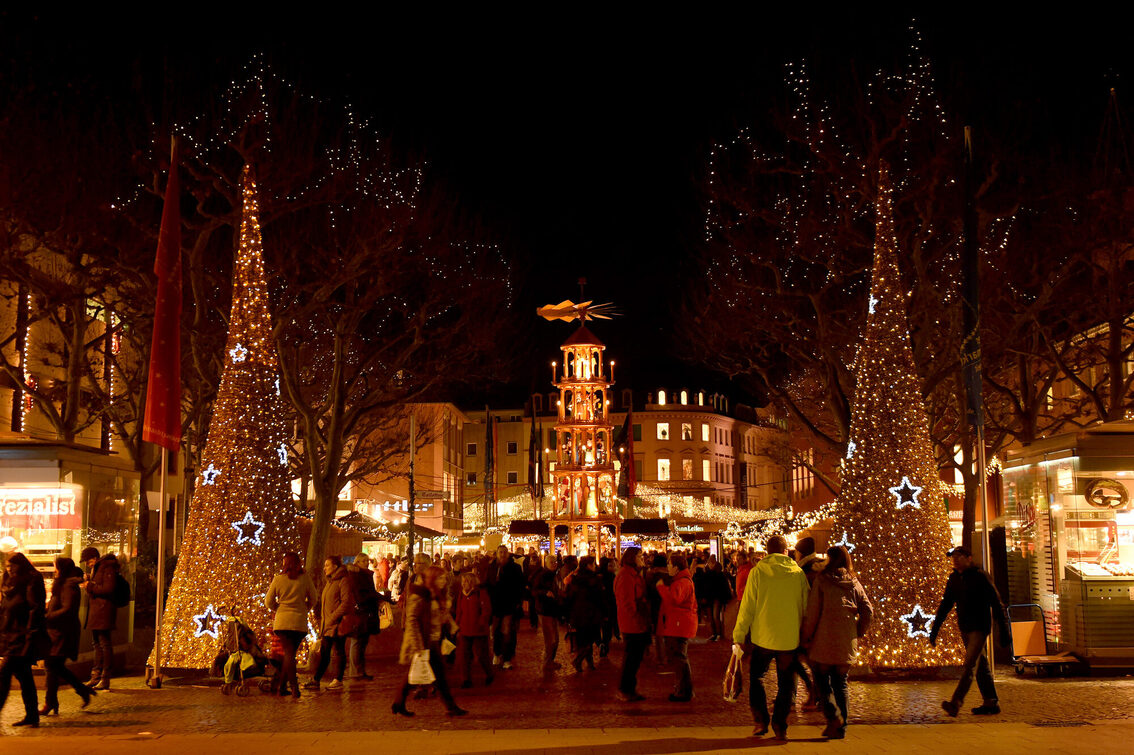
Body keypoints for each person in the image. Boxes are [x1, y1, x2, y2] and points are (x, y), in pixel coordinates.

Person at [732, 535, 810, 740]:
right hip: (789, 639)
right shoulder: (797, 574)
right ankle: (780, 724)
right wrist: (804, 633)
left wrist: (739, 635)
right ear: (786, 552)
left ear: (767, 552)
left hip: (763, 638)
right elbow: (805, 608)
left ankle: (760, 721)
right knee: (786, 682)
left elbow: (747, 607)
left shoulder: (758, 573)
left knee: (756, 677)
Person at [930, 545, 1011, 717]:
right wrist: (934, 630)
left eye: (959, 556)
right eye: (954, 557)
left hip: (979, 627)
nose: (956, 559)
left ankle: (955, 703)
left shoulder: (980, 576)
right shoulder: (954, 579)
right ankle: (991, 702)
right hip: (965, 627)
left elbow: (997, 604)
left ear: (969, 558)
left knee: (969, 665)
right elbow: (945, 605)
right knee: (981, 664)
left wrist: (1004, 630)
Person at [801, 546, 873, 739]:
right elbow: (868, 611)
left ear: (829, 560)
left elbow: (813, 613)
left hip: (823, 643)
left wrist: (806, 636)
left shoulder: (822, 581)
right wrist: (857, 632)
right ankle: (842, 726)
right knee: (841, 684)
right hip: (845, 642)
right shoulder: (854, 582)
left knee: (822, 682)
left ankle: (834, 717)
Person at [393, 566, 466, 717]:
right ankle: (450, 706)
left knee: (421, 675)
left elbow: (443, 614)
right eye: (440, 578)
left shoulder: (435, 595)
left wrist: (453, 627)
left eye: (444, 578)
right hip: (423, 642)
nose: (443, 581)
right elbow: (412, 621)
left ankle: (399, 703)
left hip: (432, 639)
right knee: (436, 675)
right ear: (432, 578)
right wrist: (419, 646)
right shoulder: (419, 596)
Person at [42, 556, 94, 713]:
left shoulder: (69, 586)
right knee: (55, 666)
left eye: (56, 567)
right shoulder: (63, 584)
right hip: (56, 630)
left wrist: (47, 616)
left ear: (62, 569)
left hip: (63, 631)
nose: (55, 570)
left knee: (52, 665)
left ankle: (51, 702)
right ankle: (80, 691)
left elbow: (68, 609)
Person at [0, 552, 47, 726]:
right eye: (7, 566)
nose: (9, 569)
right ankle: (32, 715)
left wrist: (30, 634)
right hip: (10, 635)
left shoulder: (30, 581)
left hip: (22, 637)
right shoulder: (9, 584)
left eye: (12, 565)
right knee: (24, 676)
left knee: (4, 674)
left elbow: (35, 609)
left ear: (20, 566)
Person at [265, 551, 318, 698]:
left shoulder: (278, 580)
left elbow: (268, 601)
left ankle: (290, 688)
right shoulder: (305, 579)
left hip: (282, 622)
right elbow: (314, 597)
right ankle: (287, 687)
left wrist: (278, 608)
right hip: (299, 621)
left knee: (288, 655)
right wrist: (305, 608)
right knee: (290, 654)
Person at [306, 556, 357, 691]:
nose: (324, 568)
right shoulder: (330, 581)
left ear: (335, 566)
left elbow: (346, 602)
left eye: (327, 565)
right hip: (328, 624)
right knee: (325, 651)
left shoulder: (343, 580)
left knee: (338, 651)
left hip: (338, 624)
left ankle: (337, 679)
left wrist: (333, 617)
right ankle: (317, 679)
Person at [656, 552, 697, 702]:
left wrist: (661, 588)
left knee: (679, 658)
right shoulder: (681, 580)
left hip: (679, 625)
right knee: (679, 658)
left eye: (669, 564)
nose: (667, 566)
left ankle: (684, 691)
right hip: (678, 624)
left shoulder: (682, 582)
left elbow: (674, 599)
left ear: (676, 567)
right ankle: (683, 689)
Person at [613, 547, 650, 702]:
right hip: (632, 624)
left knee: (634, 659)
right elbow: (627, 602)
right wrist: (637, 615)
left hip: (637, 622)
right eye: (639, 556)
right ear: (631, 558)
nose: (642, 558)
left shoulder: (634, 574)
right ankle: (625, 689)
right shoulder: (626, 576)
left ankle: (629, 688)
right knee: (631, 659)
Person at [81, 546, 119, 690]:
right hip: (97, 611)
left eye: (88, 561)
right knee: (97, 643)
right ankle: (96, 675)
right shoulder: (98, 568)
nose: (87, 564)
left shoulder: (106, 567)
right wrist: (90, 581)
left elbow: (108, 588)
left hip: (103, 611)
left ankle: (105, 677)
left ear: (94, 558)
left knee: (104, 644)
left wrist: (90, 586)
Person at [486, 545, 525, 669]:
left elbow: (520, 585)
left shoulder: (515, 568)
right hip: (495, 605)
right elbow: (488, 584)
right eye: (500, 552)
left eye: (504, 552)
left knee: (507, 631)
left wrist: (518, 601)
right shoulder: (492, 567)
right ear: (497, 554)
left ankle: (507, 657)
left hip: (509, 604)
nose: (502, 554)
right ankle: (497, 653)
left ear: (508, 554)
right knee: (495, 631)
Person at [565, 555, 605, 672]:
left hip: (578, 614)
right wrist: (605, 612)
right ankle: (580, 660)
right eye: (593, 564)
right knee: (591, 638)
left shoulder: (575, 578)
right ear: (588, 565)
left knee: (584, 639)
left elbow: (569, 597)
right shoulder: (595, 579)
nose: (595, 566)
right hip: (591, 613)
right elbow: (599, 598)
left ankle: (588, 662)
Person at [455, 571, 494, 687]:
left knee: (482, 655)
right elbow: (459, 611)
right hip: (465, 629)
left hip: (478, 630)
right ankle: (465, 679)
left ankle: (489, 674)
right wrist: (457, 624)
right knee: (464, 656)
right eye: (463, 582)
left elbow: (486, 610)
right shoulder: (461, 594)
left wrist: (481, 622)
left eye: (465, 582)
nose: (463, 584)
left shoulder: (480, 593)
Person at [347, 553, 380, 680]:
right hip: (361, 612)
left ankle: (360, 671)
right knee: (357, 642)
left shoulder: (365, 574)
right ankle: (356, 672)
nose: (366, 563)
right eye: (363, 561)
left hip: (366, 611)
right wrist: (377, 597)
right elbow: (362, 594)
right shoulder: (357, 575)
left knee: (362, 643)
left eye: (367, 560)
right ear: (357, 562)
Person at [530, 553, 562, 673]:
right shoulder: (542, 575)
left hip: (554, 610)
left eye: (555, 562)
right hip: (545, 610)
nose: (554, 564)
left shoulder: (556, 575)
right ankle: (548, 662)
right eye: (551, 562)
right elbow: (534, 591)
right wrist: (545, 593)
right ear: (546, 563)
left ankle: (550, 660)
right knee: (551, 639)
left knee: (555, 638)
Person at [647, 553, 669, 665]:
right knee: (669, 633)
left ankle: (661, 658)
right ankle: (668, 656)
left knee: (659, 635)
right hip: (669, 608)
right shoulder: (670, 576)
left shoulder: (652, 576)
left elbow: (649, 593)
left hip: (656, 607)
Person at [703, 557, 732, 641]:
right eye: (709, 563)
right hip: (710, 597)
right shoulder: (708, 573)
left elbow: (723, 587)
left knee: (715, 616)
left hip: (717, 598)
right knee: (712, 617)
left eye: (712, 563)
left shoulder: (718, 574)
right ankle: (714, 633)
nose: (710, 565)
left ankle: (718, 634)